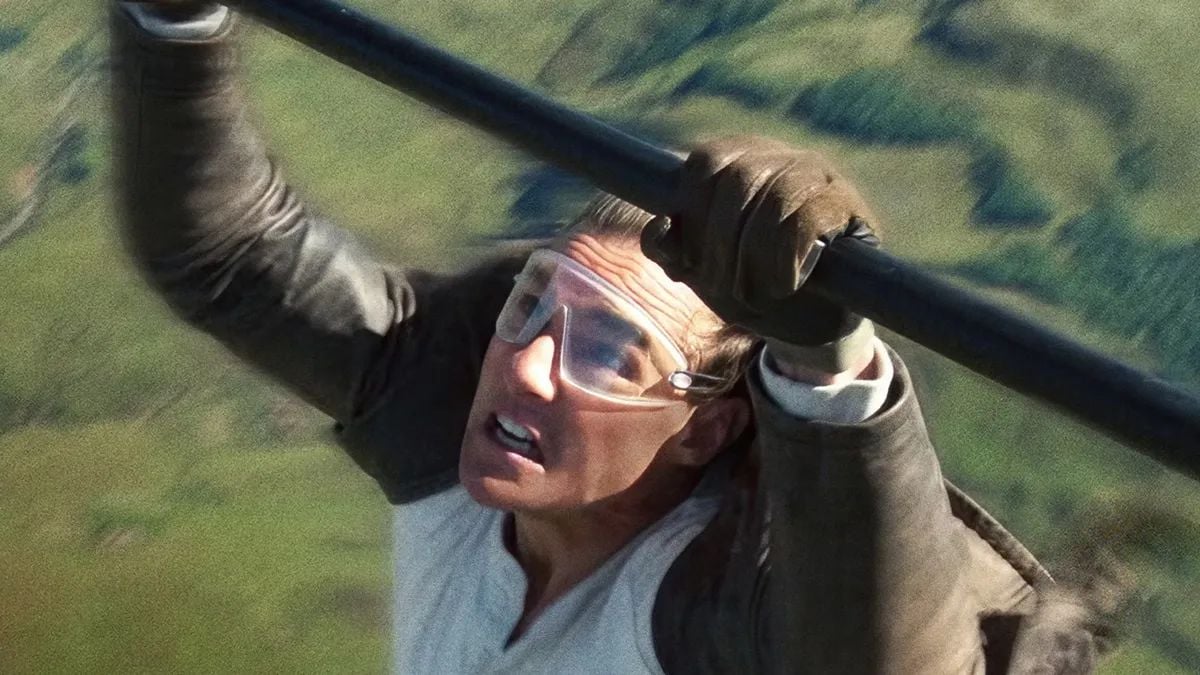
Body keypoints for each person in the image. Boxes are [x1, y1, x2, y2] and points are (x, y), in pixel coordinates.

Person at [111, 2, 1082, 672]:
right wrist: (173, 24)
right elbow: (228, 254)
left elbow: (873, 658)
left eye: (610, 352)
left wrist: (826, 363)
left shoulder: (703, 611)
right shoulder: (441, 422)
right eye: (535, 306)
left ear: (706, 429)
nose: (528, 364)